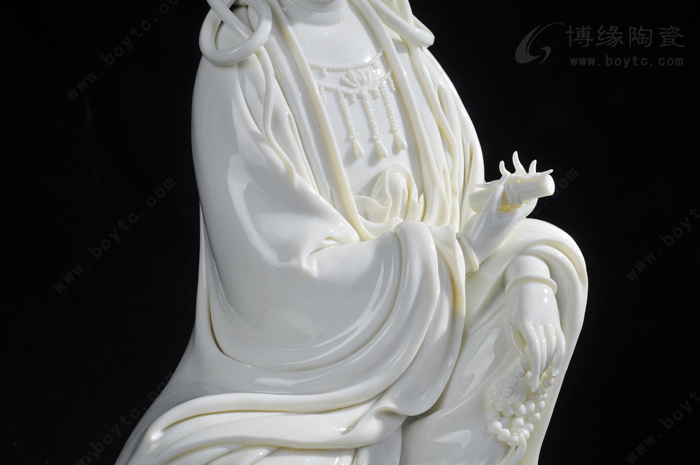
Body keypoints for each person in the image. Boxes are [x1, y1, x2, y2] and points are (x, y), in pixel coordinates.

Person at [116, 1, 587, 464]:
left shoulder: (394, 33)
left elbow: (468, 207)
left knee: (535, 300)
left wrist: (527, 272)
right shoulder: (243, 62)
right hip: (301, 380)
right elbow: (276, 284)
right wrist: (453, 253)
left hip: (440, 328)